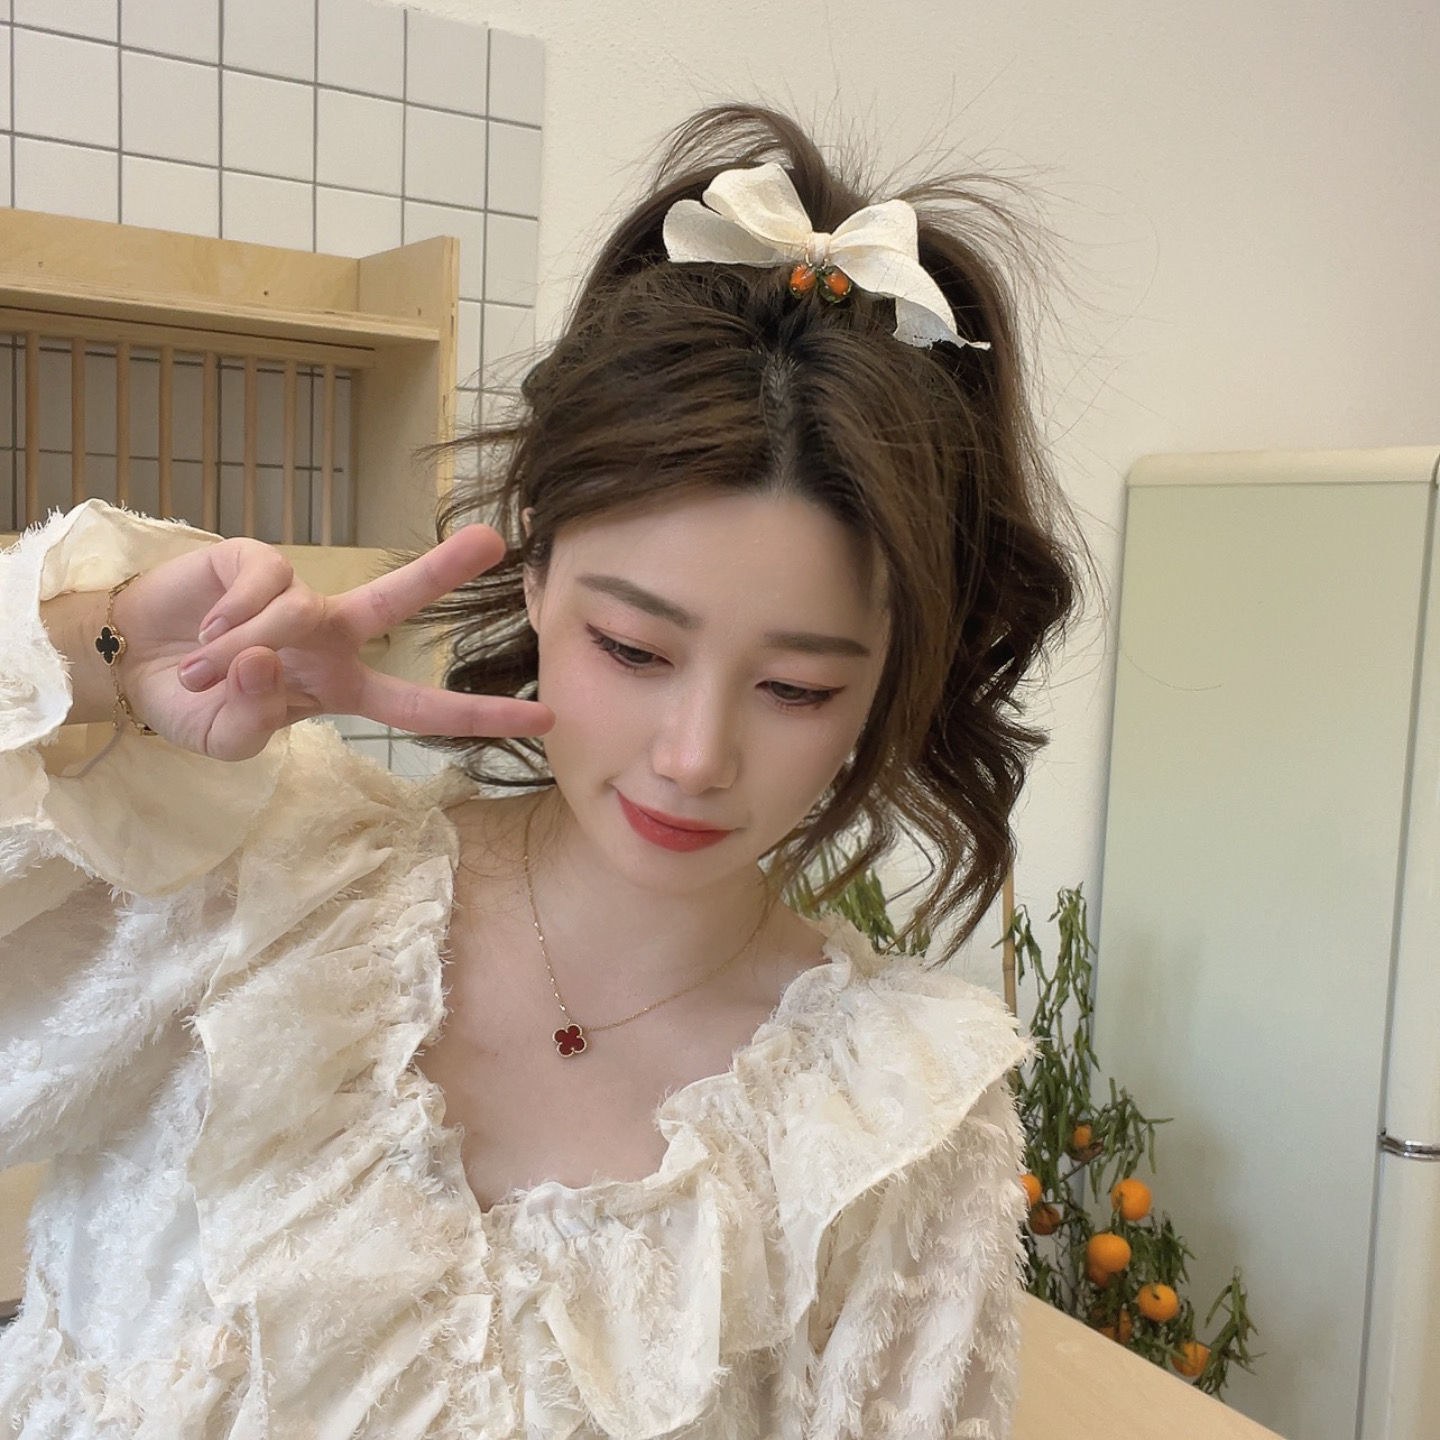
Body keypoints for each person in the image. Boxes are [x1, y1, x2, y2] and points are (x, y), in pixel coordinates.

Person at [0, 105, 1076, 1439]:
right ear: (535, 563)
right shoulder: (261, 872)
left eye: (799, 687)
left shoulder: (892, 1127)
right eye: (633, 648)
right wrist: (96, 651)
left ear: (894, 674)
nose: (695, 756)